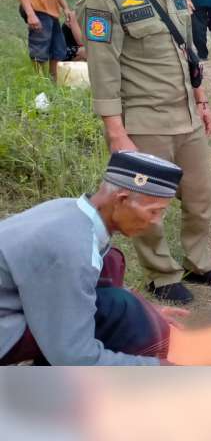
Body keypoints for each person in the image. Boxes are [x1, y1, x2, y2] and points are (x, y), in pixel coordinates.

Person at [77, 0, 211, 304]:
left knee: (201, 196)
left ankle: (200, 262)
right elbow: (103, 72)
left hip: (186, 116)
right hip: (143, 123)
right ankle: (161, 275)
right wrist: (116, 132)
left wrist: (201, 99)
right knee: (147, 205)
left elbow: (187, 52)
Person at [0, 151, 188, 366]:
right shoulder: (70, 248)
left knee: (113, 269)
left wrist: (145, 308)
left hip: (11, 303)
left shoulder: (69, 209)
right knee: (123, 315)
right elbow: (73, 357)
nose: (156, 221)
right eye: (154, 211)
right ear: (122, 200)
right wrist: (155, 367)